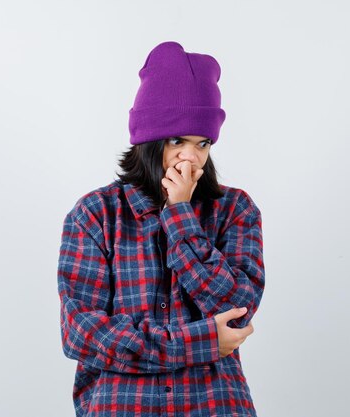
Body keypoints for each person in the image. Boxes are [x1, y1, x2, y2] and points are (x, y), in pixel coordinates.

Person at [56, 40, 265, 417]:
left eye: (202, 143)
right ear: (148, 142)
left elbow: (236, 312)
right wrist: (197, 342)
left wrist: (181, 215)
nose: (191, 156)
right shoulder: (96, 214)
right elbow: (81, 333)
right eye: (176, 141)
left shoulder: (235, 209)